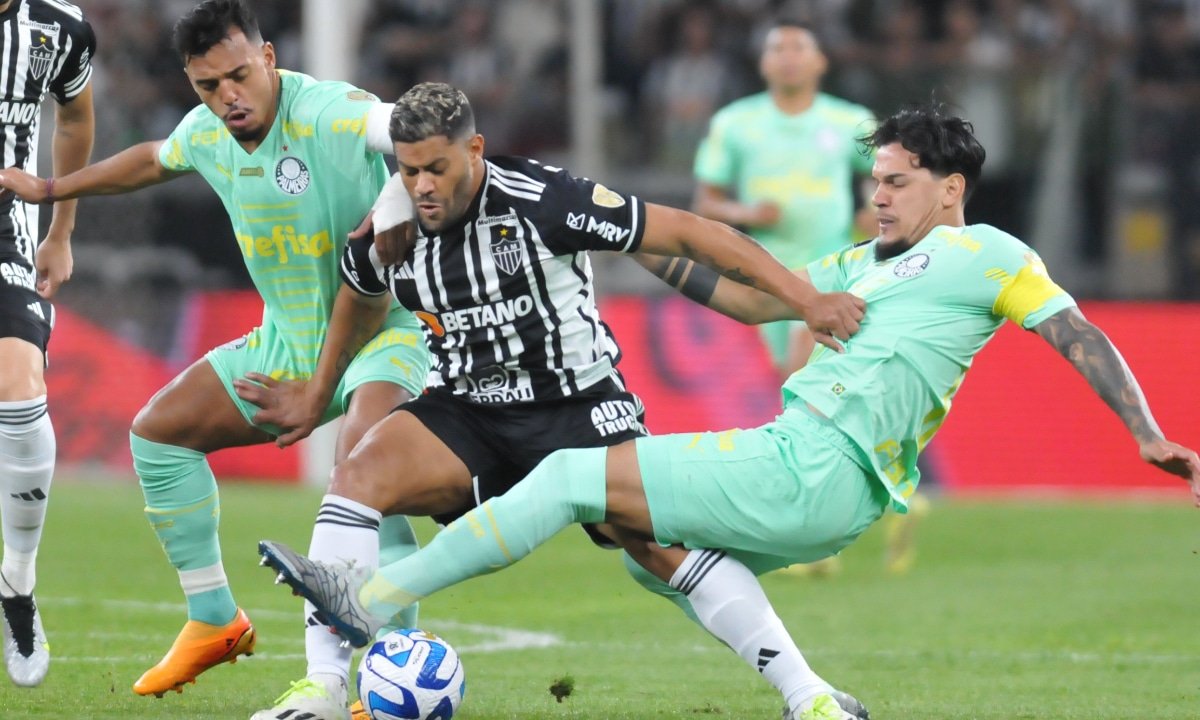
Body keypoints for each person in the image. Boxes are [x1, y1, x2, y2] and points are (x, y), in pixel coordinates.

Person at [258, 105, 1200, 720]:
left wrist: (1147, 431)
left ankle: (366, 598)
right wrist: (627, 233)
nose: (877, 194)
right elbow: (749, 297)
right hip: (805, 472)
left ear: (950, 189)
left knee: (572, 478)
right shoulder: (855, 265)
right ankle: (813, 699)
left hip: (815, 465)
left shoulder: (990, 253)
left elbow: (1076, 332)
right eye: (875, 179)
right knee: (653, 555)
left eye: (897, 180)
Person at [242, 81, 869, 720]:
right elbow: (358, 296)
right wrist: (318, 393)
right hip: (469, 411)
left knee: (657, 547)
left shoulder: (543, 199)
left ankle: (809, 696)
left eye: (437, 167)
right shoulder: (390, 231)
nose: (423, 186)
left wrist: (804, 299)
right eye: (409, 171)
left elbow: (685, 232)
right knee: (356, 475)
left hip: (579, 407)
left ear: (474, 150)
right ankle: (322, 690)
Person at [0, 0, 432, 712]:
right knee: (158, 434)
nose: (228, 96)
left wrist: (397, 202)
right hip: (288, 343)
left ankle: (386, 669)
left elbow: (417, 129)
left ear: (268, 58)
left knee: (363, 473)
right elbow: (152, 159)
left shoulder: (329, 110)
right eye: (208, 85)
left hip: (383, 334)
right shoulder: (208, 132)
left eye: (239, 76)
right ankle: (214, 618)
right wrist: (50, 190)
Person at [692, 17, 924, 578]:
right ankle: (890, 493)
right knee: (812, 397)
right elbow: (706, 201)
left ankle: (814, 539)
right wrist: (748, 212)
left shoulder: (849, 121)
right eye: (778, 48)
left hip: (833, 272)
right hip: (766, 278)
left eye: (800, 47)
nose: (789, 56)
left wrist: (873, 212)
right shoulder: (736, 123)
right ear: (764, 63)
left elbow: (894, 175)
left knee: (805, 392)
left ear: (820, 62)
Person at [0, 0, 94, 690]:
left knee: (21, 391)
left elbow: (76, 117)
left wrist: (60, 232)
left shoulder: (58, 27)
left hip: (6, 230)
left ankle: (18, 579)